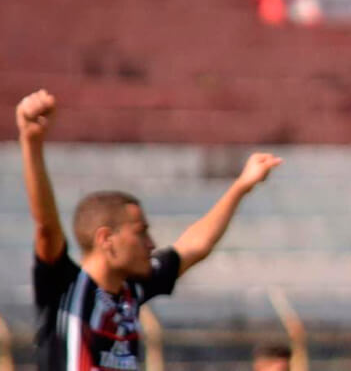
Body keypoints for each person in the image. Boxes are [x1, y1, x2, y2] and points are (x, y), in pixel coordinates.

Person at [17, 89, 283, 371]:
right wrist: (31, 141)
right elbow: (46, 227)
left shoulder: (131, 290)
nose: (151, 243)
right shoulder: (66, 286)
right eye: (140, 232)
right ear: (106, 239)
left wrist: (242, 186)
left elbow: (195, 246)